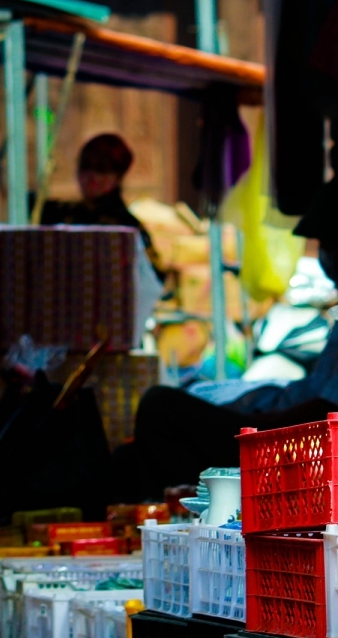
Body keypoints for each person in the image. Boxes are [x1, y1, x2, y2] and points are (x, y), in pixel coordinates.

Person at [110, 193, 338, 501]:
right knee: (128, 457)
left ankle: (197, 507)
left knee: (159, 406)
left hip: (287, 444)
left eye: (327, 244)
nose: (323, 254)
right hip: (276, 423)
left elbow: (324, 412)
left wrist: (256, 427)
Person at [40, 133, 160, 265]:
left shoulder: (126, 227)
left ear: (117, 176)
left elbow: (153, 277)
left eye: (101, 169)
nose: (91, 176)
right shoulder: (61, 213)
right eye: (85, 166)